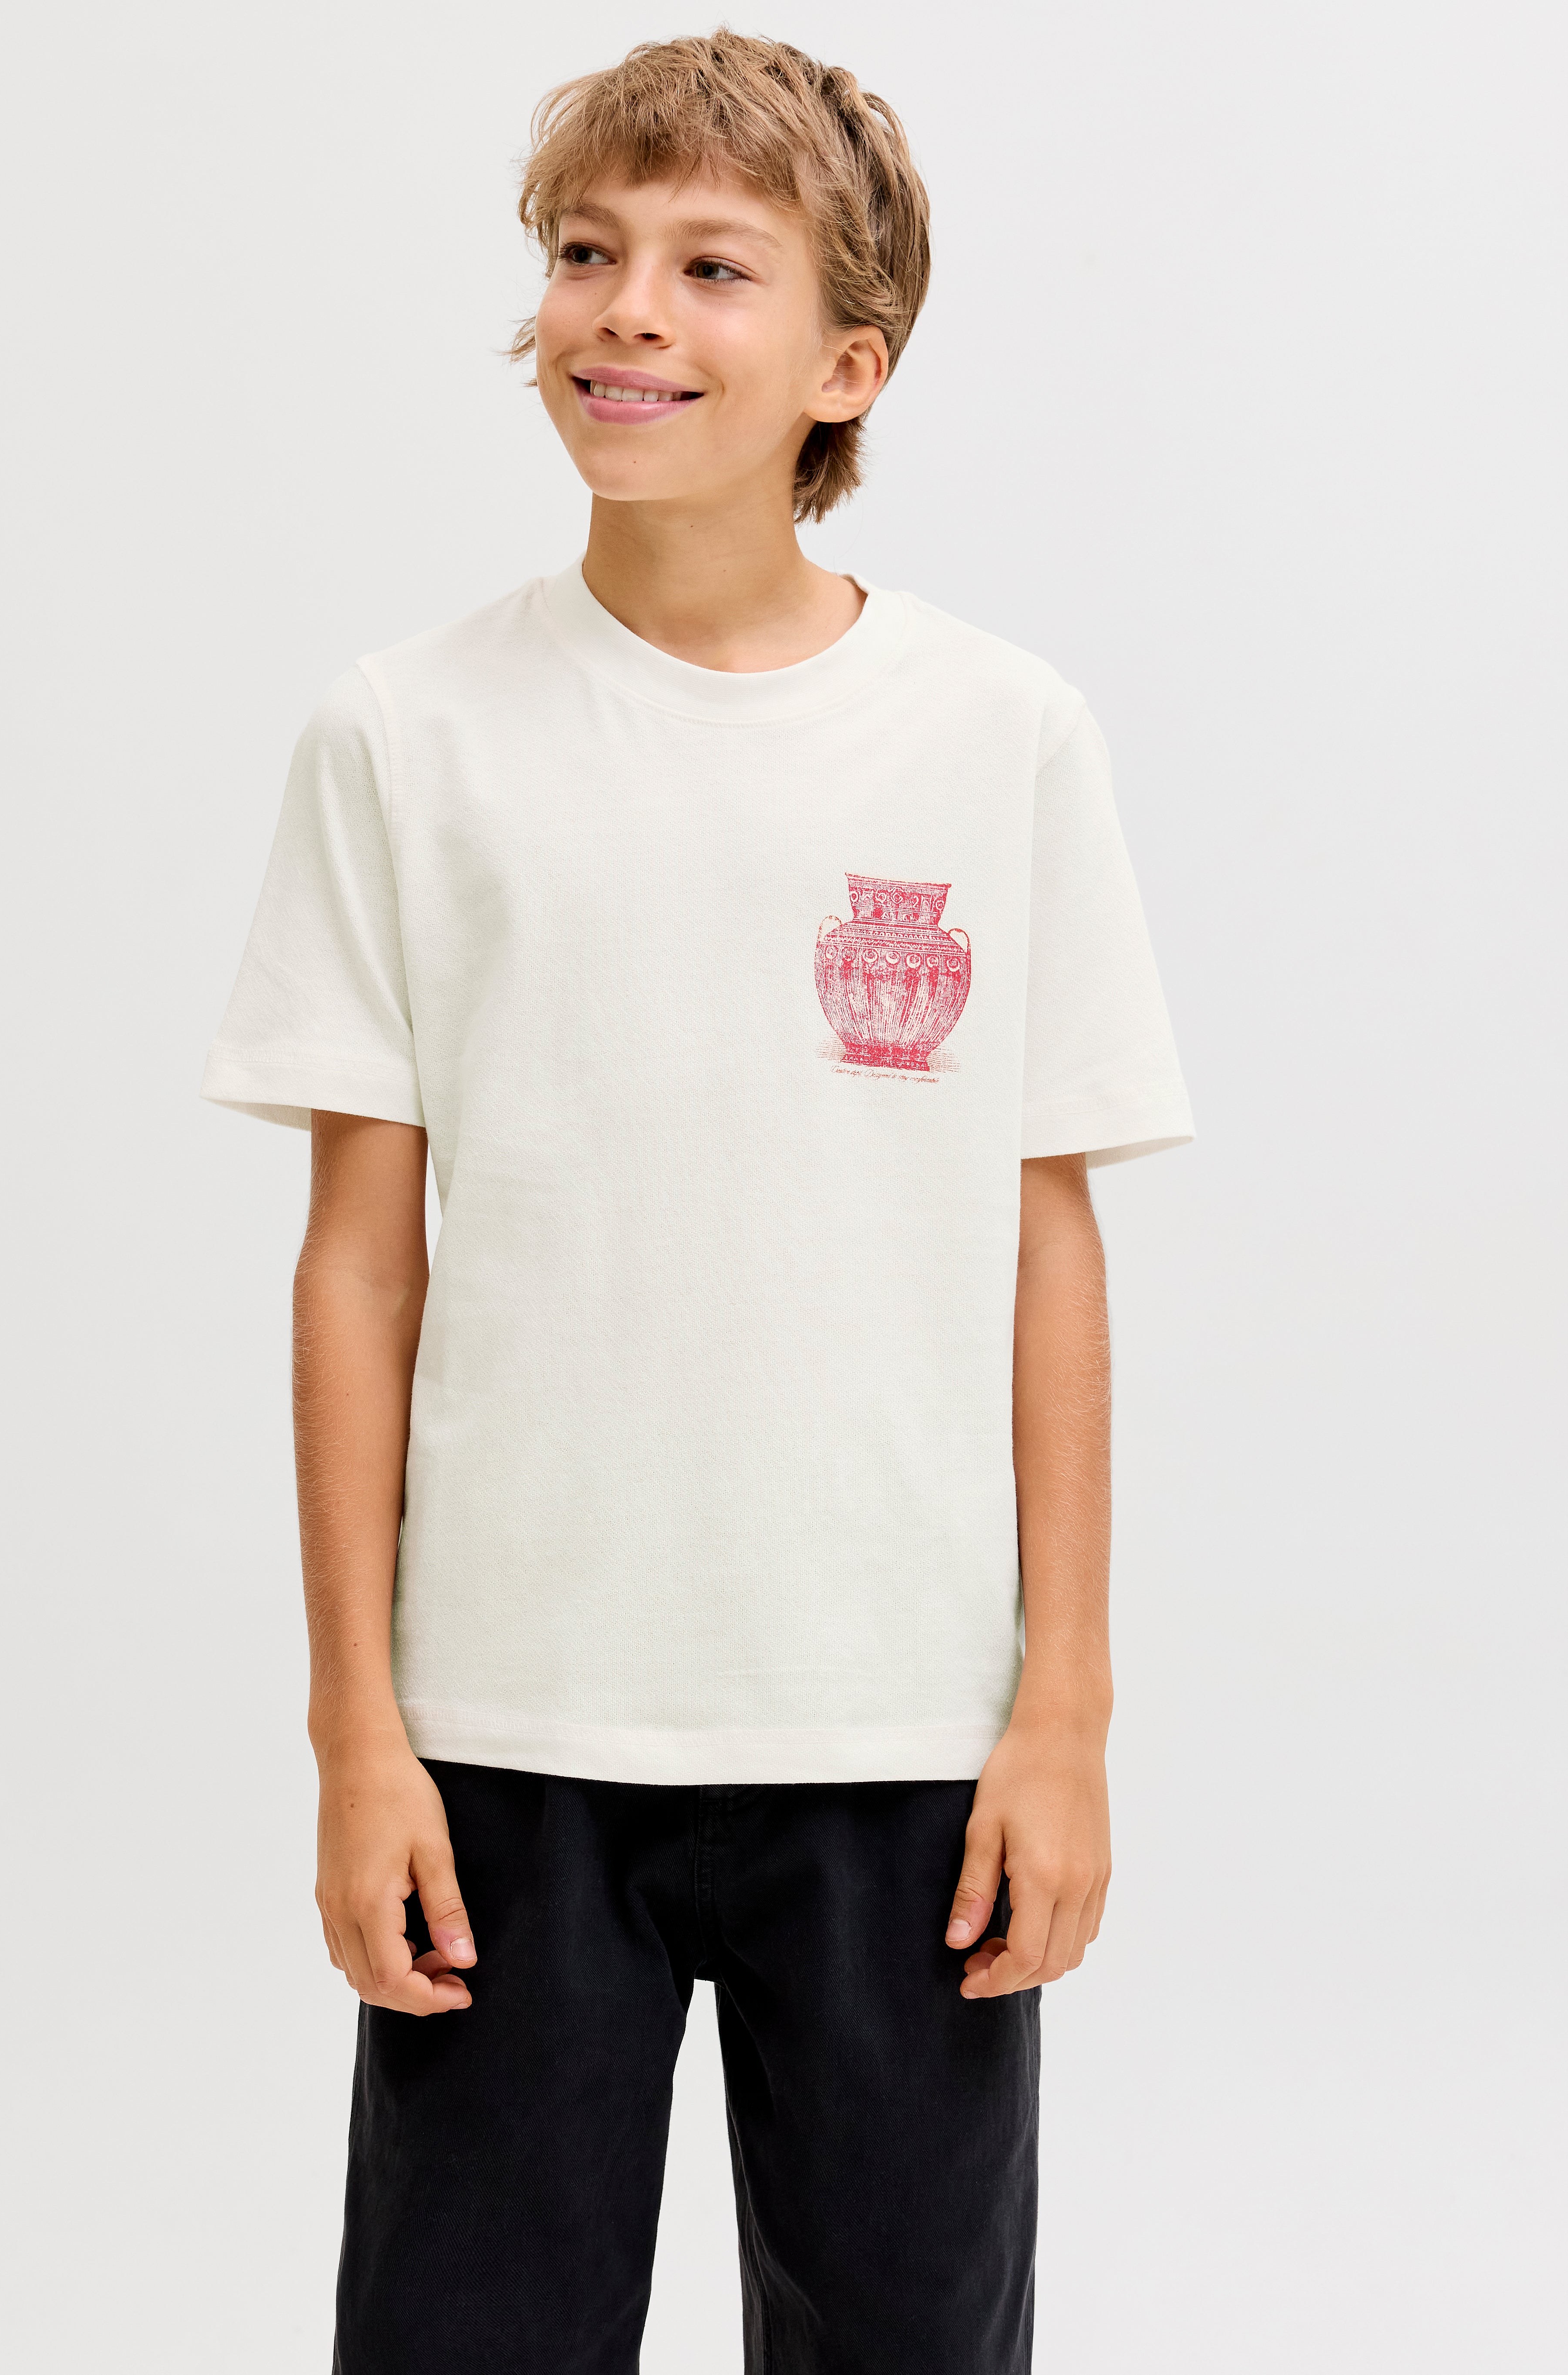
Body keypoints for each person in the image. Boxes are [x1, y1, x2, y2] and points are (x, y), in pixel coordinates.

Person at [203, 30, 1192, 2375]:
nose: (626, 308)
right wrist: (358, 1734)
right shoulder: (407, 735)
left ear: (850, 363)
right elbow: (358, 1269)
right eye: (587, 251)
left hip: (899, 1739)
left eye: (711, 267)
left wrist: (1063, 1709)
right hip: (507, 1737)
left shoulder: (999, 736)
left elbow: (1044, 1246)